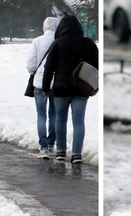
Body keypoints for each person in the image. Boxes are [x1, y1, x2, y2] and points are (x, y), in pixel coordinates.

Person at [42, 14, 98, 164]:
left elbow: (49, 68)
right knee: (79, 121)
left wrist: (45, 87)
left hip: (60, 89)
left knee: (60, 119)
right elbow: (96, 68)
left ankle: (60, 152)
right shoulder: (88, 44)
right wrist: (94, 86)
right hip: (81, 88)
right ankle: (76, 154)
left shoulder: (57, 43)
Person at [27, 17, 60, 160]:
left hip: (39, 84)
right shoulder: (59, 41)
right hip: (56, 83)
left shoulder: (37, 41)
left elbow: (30, 65)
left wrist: (36, 72)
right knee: (54, 115)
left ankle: (44, 147)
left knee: (41, 116)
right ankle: (52, 144)